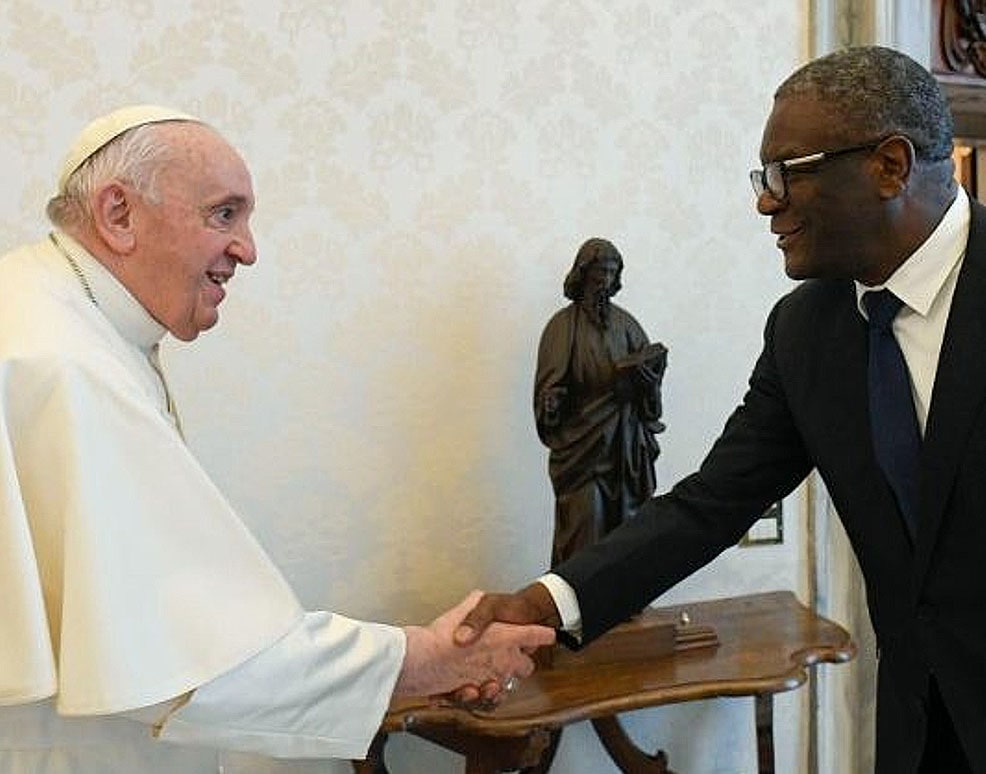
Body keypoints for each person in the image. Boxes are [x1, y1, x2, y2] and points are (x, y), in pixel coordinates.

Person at [457, 46, 983, 773]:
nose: (766, 202)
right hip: (919, 731)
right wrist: (545, 606)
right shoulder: (806, 332)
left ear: (888, 166)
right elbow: (711, 503)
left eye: (786, 174)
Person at [0, 105, 554, 772]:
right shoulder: (63, 365)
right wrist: (422, 660)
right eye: (224, 214)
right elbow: (192, 664)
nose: (248, 249)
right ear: (119, 215)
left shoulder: (44, 307)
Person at [534, 237, 666, 564]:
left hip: (625, 445)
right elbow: (548, 388)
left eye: (610, 273)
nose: (603, 282)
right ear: (583, 274)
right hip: (582, 449)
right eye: (598, 274)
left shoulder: (627, 325)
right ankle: (578, 604)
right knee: (585, 526)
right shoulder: (562, 327)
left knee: (628, 529)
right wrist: (551, 404)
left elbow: (651, 388)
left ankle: (625, 601)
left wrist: (648, 380)